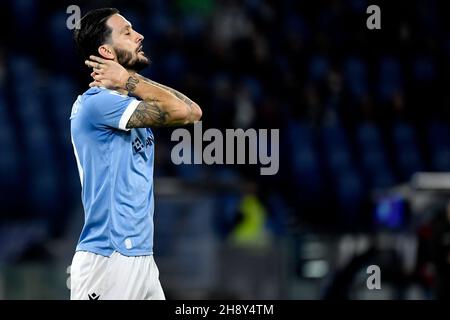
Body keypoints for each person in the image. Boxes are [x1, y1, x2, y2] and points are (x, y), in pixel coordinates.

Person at [69, 7, 202, 300]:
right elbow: (182, 111)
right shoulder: (97, 105)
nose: (139, 36)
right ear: (106, 50)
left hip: (142, 257)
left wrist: (128, 81)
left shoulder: (126, 101)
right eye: (127, 32)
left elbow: (193, 112)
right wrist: (130, 81)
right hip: (109, 259)